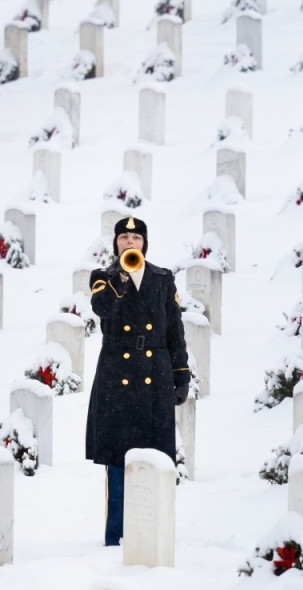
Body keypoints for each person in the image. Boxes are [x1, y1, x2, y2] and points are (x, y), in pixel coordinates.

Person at [85, 216, 191, 546]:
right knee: (117, 458)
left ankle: (153, 530)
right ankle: (115, 536)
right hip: (117, 374)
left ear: (144, 242)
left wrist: (180, 371)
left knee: (156, 453)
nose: (130, 242)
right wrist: (123, 277)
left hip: (155, 373)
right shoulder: (103, 277)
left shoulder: (162, 278)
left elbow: (175, 328)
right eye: (123, 237)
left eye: (136, 237)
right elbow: (101, 308)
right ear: (115, 243)